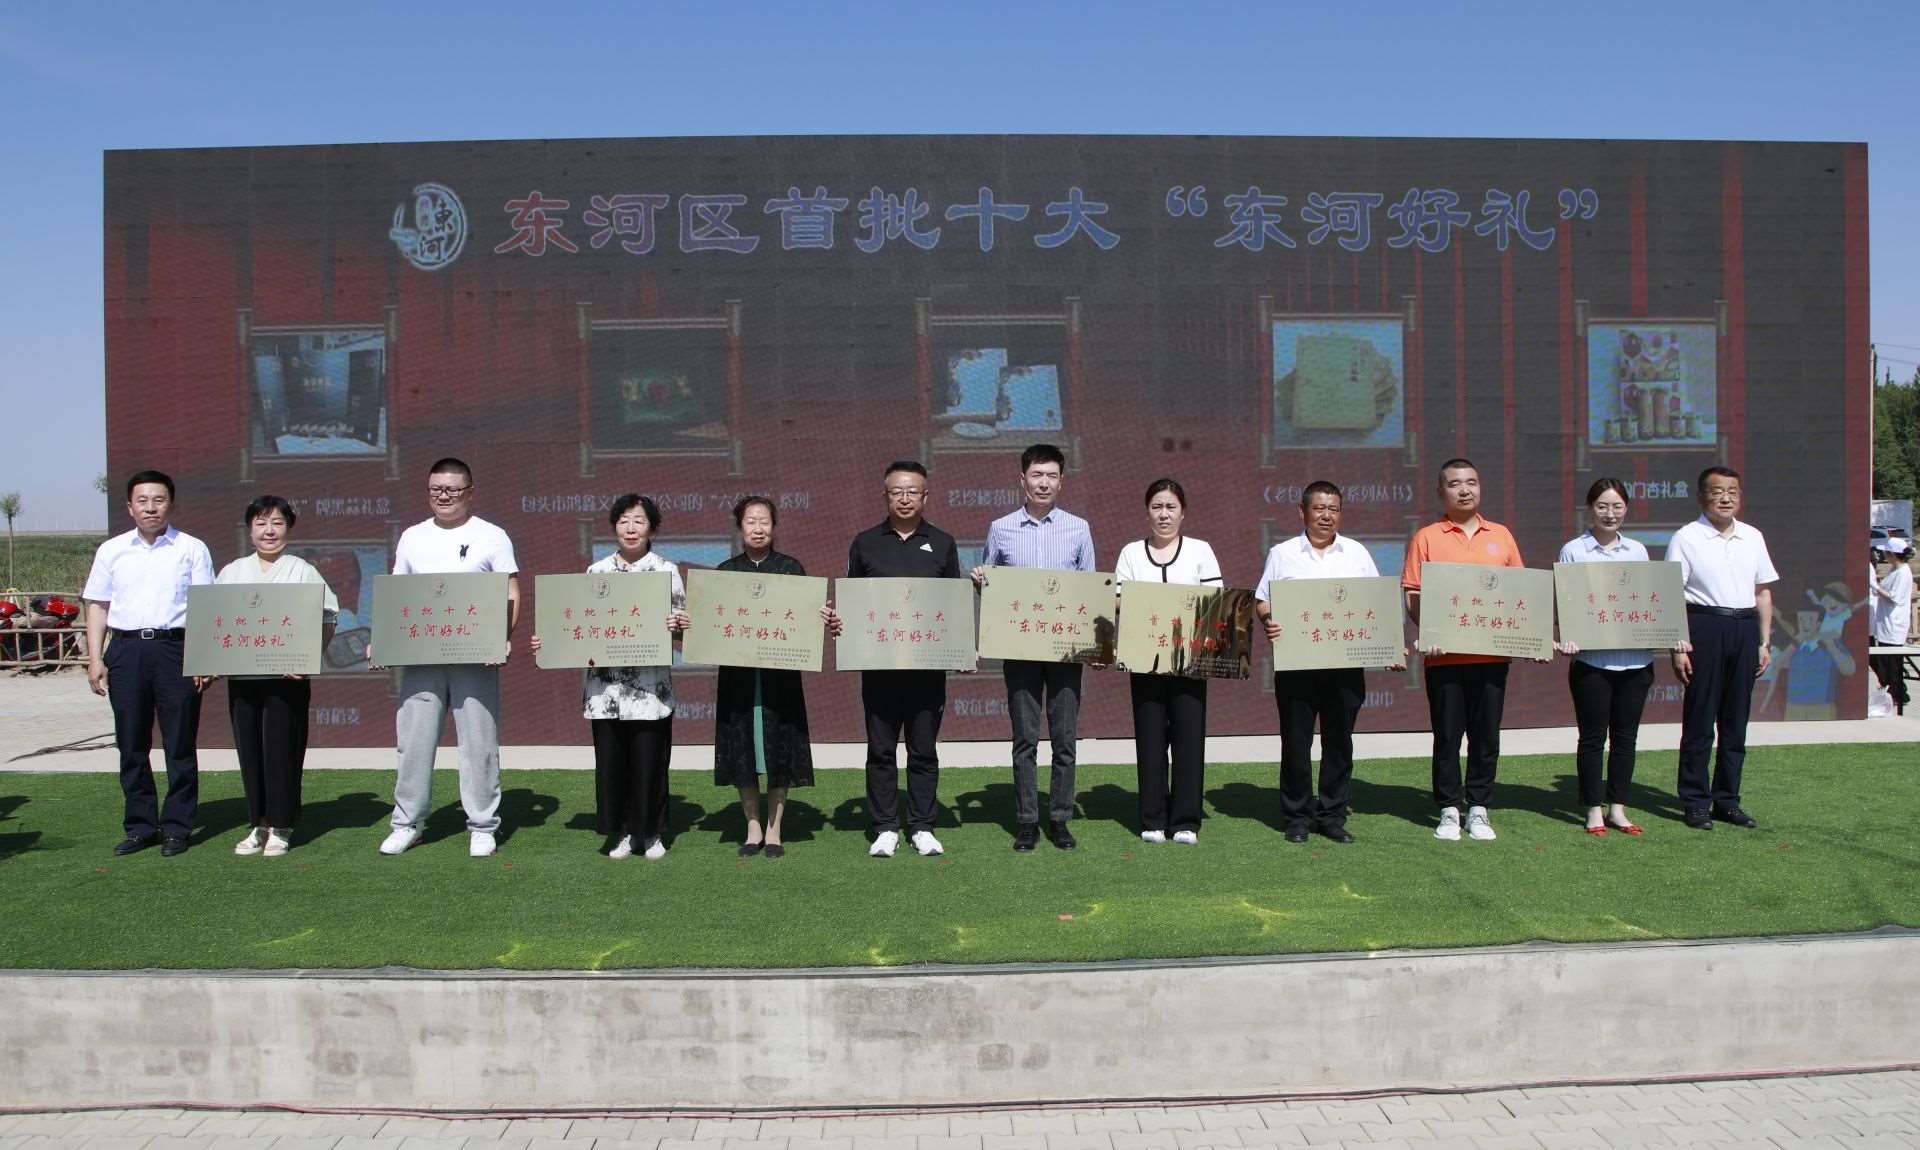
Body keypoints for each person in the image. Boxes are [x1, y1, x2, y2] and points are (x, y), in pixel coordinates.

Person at [530, 495, 690, 859]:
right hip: (605, 692)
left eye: (639, 521)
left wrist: (679, 625)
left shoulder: (666, 572)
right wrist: (548, 641)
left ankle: (650, 833)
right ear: (614, 526)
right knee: (611, 767)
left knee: (650, 765)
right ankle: (620, 832)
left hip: (649, 692)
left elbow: (682, 632)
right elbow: (576, 626)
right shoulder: (596, 572)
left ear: (652, 528)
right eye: (623, 521)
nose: (631, 528)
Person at [377, 457, 520, 858]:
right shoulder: (412, 537)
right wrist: (383, 641)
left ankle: (482, 825)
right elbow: (398, 595)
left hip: (475, 656)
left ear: (469, 493)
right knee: (413, 741)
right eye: (436, 489)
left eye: (452, 489)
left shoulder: (491, 536)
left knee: (479, 741)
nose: (443, 496)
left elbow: (511, 592)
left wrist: (501, 639)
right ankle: (407, 823)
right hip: (422, 657)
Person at [970, 443, 1097, 852]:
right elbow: (992, 589)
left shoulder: (1078, 528)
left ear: (1062, 481)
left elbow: (1090, 590)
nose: (1044, 483)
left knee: (1065, 738)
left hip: (1065, 650)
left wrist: (1095, 644)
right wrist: (981, 581)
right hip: (1020, 651)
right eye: (1037, 475)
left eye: (1051, 476)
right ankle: (1027, 821)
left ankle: (1059, 818)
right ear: (1022, 479)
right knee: (1025, 738)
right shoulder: (1001, 528)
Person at [83, 470, 215, 857]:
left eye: (158, 500)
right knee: (131, 743)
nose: (150, 507)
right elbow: (98, 605)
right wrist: (95, 658)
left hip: (176, 650)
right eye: (142, 501)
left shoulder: (191, 548)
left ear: (171, 504)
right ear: (130, 507)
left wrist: (203, 658)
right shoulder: (112, 551)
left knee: (179, 744)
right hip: (126, 651)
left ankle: (176, 826)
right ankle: (140, 826)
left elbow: (207, 607)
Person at [843, 460, 965, 859]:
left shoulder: (943, 543)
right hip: (880, 669)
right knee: (880, 750)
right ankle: (884, 827)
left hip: (926, 671)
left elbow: (954, 605)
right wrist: (841, 622)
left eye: (913, 491)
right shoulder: (865, 543)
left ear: (925, 496)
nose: (905, 498)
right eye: (897, 491)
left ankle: (922, 826)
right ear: (885, 496)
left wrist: (962, 646)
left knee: (923, 750)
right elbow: (853, 602)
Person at [1252, 481, 1385, 845]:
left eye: (1333, 509)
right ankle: (1297, 816)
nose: (1327, 515)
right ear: (1303, 511)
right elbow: (1262, 600)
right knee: (1296, 742)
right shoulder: (1282, 554)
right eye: (1319, 508)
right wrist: (1269, 619)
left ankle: (1332, 815)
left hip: (1345, 666)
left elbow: (1376, 605)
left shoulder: (1356, 553)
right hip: (1297, 665)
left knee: (1339, 741)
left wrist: (1388, 646)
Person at [1402, 458, 1526, 843]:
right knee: (1447, 736)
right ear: (1441, 491)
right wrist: (1430, 629)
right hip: (1445, 658)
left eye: (1471, 482)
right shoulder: (1427, 537)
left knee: (1486, 737)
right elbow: (1412, 594)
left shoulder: (1501, 535)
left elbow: (1520, 593)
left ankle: (1479, 808)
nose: (1465, 490)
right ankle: (1448, 808)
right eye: (1455, 484)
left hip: (1491, 657)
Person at [712, 495, 840, 859]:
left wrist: (821, 617)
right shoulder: (726, 572)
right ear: (740, 527)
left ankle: (774, 829)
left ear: (774, 526)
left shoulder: (790, 569)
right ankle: (752, 827)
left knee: (779, 749)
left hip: (780, 680)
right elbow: (712, 624)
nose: (758, 528)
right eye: (750, 521)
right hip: (738, 680)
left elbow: (805, 623)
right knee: (742, 749)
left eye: (764, 521)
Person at [214, 495, 339, 857]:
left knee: (282, 750)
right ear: (249, 528)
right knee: (250, 750)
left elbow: (329, 616)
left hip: (287, 679)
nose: (269, 531)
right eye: (261, 523)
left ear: (289, 528)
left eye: (277, 523)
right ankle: (258, 823)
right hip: (243, 678)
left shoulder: (302, 570)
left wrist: (308, 657)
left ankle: (281, 827)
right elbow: (215, 619)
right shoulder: (233, 572)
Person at [1113, 478, 1222, 845]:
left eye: (1171, 507)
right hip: (1145, 658)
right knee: (1150, 738)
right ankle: (1153, 818)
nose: (1164, 514)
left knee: (1189, 738)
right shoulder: (1131, 553)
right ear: (1147, 512)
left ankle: (1186, 820)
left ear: (1183, 512)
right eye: (1157, 507)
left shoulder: (1201, 551)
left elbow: (1215, 599)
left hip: (1191, 660)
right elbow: (1118, 600)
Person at [1668, 466, 1778, 830]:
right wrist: (1678, 646)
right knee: (1700, 721)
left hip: (1744, 628)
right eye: (1717, 492)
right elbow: (1671, 595)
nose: (1725, 498)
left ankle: (1727, 800)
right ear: (1702, 496)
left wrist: (1763, 641)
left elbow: (1762, 592)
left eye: (1732, 491)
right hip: (1705, 626)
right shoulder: (1686, 537)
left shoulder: (1753, 537)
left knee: (1735, 721)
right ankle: (1695, 801)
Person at [1555, 478, 1663, 837]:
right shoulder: (1574, 550)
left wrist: (1668, 633)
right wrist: (1567, 635)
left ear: (1626, 509)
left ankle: (1618, 809)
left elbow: (1648, 601)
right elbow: (1566, 602)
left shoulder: (1637, 551)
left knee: (1625, 738)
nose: (1610, 513)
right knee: (1592, 738)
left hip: (1636, 662)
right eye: (1602, 506)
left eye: (1617, 506)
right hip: (1592, 664)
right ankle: (1593, 810)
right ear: (1590, 509)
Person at [1869, 539, 1912, 715]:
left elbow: (1894, 596)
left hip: (1894, 624)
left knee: (1892, 664)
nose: (1884, 555)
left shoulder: (1903, 573)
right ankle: (1892, 694)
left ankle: (1899, 696)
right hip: (1885, 624)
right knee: (1885, 663)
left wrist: (1873, 585)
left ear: (1893, 554)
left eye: (1886, 552)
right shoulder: (1894, 571)